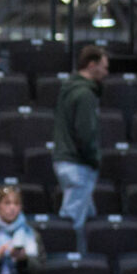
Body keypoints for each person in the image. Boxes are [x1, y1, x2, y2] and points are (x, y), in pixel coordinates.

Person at [52, 45, 109, 250]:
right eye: (104, 67)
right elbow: (86, 133)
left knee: (87, 215)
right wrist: (95, 159)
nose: (106, 72)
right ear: (92, 65)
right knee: (73, 221)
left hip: (65, 161)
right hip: (78, 163)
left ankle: (84, 259)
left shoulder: (68, 88)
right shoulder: (85, 93)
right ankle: (71, 262)